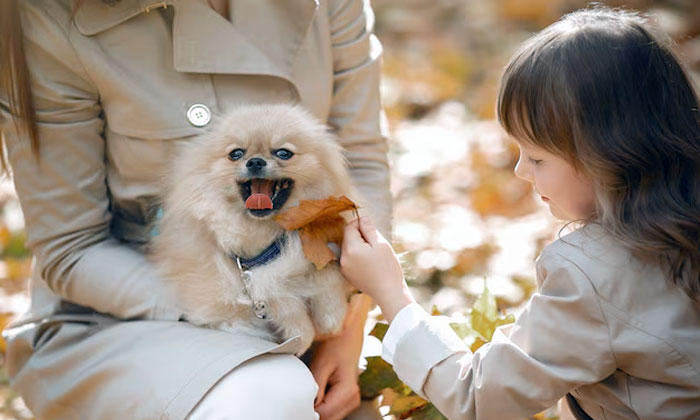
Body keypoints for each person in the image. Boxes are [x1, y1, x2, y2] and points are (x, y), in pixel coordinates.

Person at [0, 0, 392, 419]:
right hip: (136, 310)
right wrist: (258, 305)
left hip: (318, 295)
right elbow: (72, 249)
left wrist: (346, 322)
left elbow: (360, 166)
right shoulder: (48, 15)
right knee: (269, 397)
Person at [340, 7, 700, 420]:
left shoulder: (594, 274)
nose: (520, 172)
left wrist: (392, 295)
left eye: (536, 157)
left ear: (609, 153)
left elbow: (476, 397)